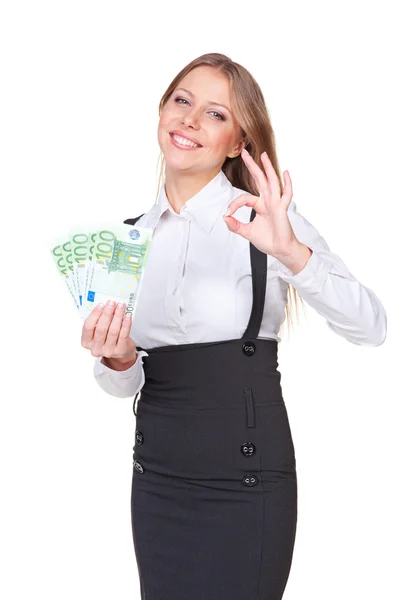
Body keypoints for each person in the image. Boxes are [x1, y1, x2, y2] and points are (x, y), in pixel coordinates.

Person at [81, 53, 387, 600]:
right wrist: (119, 359)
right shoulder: (127, 241)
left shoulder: (266, 219)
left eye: (216, 114)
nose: (191, 120)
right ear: (161, 112)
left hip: (246, 483)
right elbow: (121, 383)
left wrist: (293, 253)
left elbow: (371, 326)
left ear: (238, 140)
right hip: (157, 481)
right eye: (183, 101)